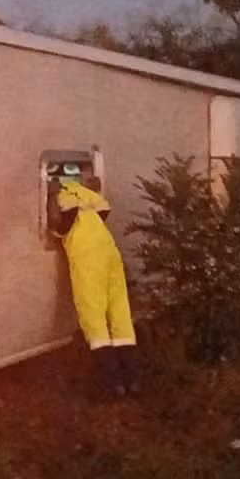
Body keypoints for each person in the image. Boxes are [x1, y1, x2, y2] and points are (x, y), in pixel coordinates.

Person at [55, 163, 140, 395]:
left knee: (93, 317)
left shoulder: (65, 193)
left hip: (88, 259)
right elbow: (104, 209)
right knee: (120, 315)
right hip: (110, 254)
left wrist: (59, 232)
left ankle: (112, 383)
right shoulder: (88, 194)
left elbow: (67, 215)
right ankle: (133, 378)